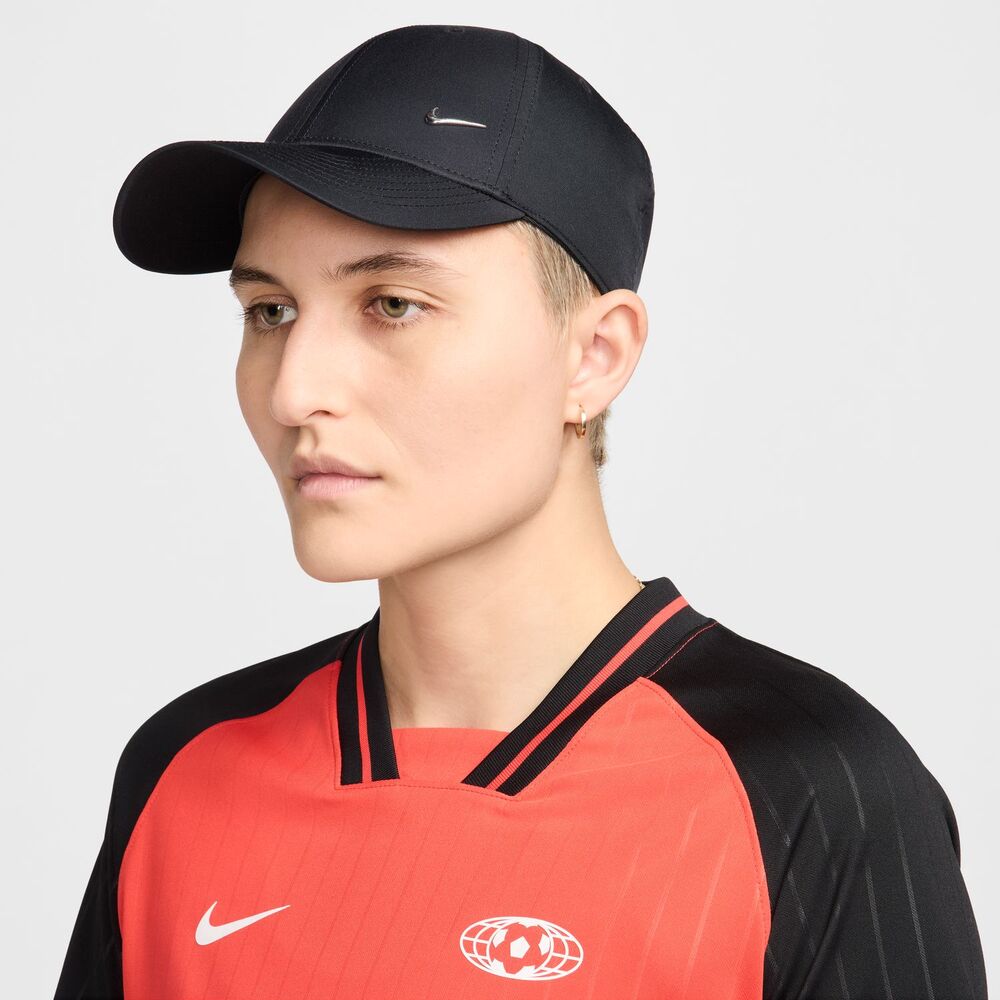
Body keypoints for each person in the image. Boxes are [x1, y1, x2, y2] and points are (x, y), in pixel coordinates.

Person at [55, 23, 987, 1000]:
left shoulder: (808, 791)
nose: (294, 391)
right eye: (270, 311)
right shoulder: (186, 770)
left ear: (595, 356)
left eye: (392, 304)